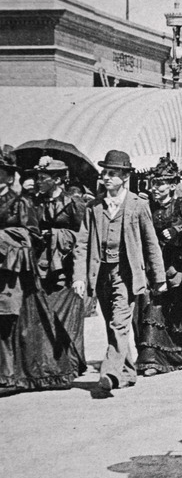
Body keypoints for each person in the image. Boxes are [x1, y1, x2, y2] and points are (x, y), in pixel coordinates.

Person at [72, 150, 166, 394]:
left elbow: (151, 243)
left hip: (126, 274)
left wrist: (159, 278)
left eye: (112, 173)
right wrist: (79, 277)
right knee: (110, 323)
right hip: (101, 273)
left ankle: (110, 373)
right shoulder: (93, 207)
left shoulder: (138, 205)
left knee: (119, 323)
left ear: (125, 176)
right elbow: (82, 244)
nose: (106, 177)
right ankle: (127, 373)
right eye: (104, 172)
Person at [0, 152, 82, 394]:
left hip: (19, 271)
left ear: (7, 178)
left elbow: (30, 237)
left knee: (14, 321)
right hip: (22, 267)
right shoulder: (32, 199)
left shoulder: (20, 203)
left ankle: (11, 376)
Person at [134, 155, 182, 376]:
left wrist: (177, 231)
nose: (155, 188)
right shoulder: (148, 207)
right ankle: (151, 359)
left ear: (172, 185)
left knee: (181, 316)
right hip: (158, 268)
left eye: (160, 184)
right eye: (154, 183)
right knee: (154, 309)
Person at [32, 156, 87, 377]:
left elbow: (83, 236)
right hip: (41, 264)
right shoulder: (35, 202)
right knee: (43, 312)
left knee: (66, 314)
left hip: (65, 267)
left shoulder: (74, 203)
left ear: (56, 180)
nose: (38, 181)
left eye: (42, 178)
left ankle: (71, 362)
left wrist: (56, 236)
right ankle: (48, 363)